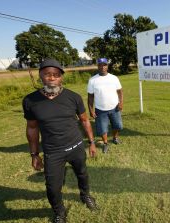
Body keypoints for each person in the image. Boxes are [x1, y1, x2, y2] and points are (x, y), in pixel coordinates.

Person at [22, 58, 98, 223]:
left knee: (82, 174)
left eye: (56, 74)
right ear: (40, 76)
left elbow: (85, 120)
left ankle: (85, 195)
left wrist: (91, 142)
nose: (51, 78)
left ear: (61, 77)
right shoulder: (30, 101)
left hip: (76, 146)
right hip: (53, 152)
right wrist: (34, 154)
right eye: (47, 74)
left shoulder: (74, 97)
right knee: (52, 187)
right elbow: (32, 128)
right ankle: (59, 212)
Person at [87, 58, 123, 153]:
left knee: (118, 126)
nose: (102, 67)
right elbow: (90, 97)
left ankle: (115, 138)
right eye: (100, 65)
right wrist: (91, 110)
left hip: (115, 108)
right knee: (103, 129)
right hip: (100, 110)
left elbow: (120, 92)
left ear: (107, 66)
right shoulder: (92, 80)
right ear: (98, 66)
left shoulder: (114, 78)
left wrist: (121, 103)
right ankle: (106, 143)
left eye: (104, 65)